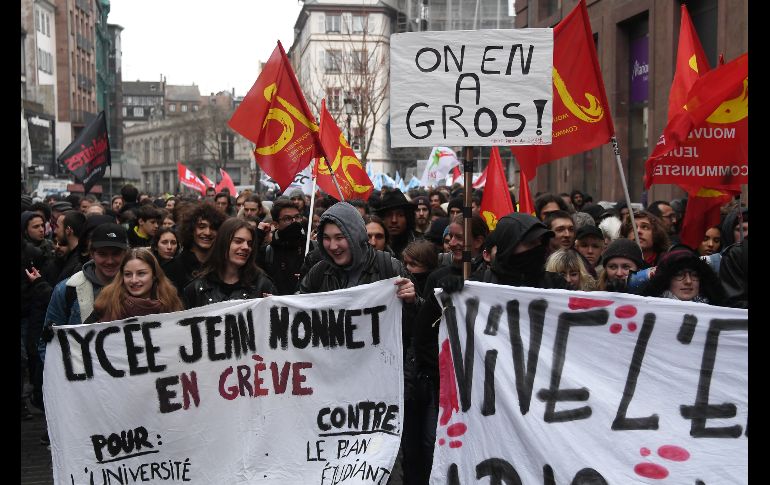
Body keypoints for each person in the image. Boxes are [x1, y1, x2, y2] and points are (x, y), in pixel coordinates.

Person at [298, 202, 420, 484]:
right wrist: (278, 309)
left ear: (354, 234)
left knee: (380, 466)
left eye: (339, 238)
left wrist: (413, 301)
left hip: (380, 392)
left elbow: (415, 328)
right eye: (326, 239)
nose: (333, 246)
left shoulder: (388, 267)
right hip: (332, 391)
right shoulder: (318, 273)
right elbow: (298, 319)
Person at [184, 218, 277, 308]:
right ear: (223, 243)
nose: (245, 247)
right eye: (238, 241)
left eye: (249, 243)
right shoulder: (196, 289)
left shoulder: (262, 285)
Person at [85, 248, 184, 323]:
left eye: (141, 273)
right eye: (128, 274)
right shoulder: (107, 302)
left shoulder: (171, 302)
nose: (134, 280)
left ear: (154, 275)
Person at [164, 202, 226, 295]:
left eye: (213, 228)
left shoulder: (224, 265)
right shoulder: (172, 268)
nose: (207, 232)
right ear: (191, 229)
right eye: (201, 227)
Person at [641, 248, 726, 305]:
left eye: (694, 275)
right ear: (666, 280)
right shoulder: (649, 308)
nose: (688, 281)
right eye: (679, 275)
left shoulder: (716, 311)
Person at [258, 197, 307, 295]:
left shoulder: (311, 248)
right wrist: (258, 235)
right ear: (275, 224)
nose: (294, 222)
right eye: (287, 219)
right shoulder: (267, 252)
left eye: (297, 217)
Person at [375, 189, 418, 261]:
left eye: (400, 215)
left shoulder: (419, 246)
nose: (394, 220)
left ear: (407, 217)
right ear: (382, 218)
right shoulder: (373, 245)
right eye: (389, 215)